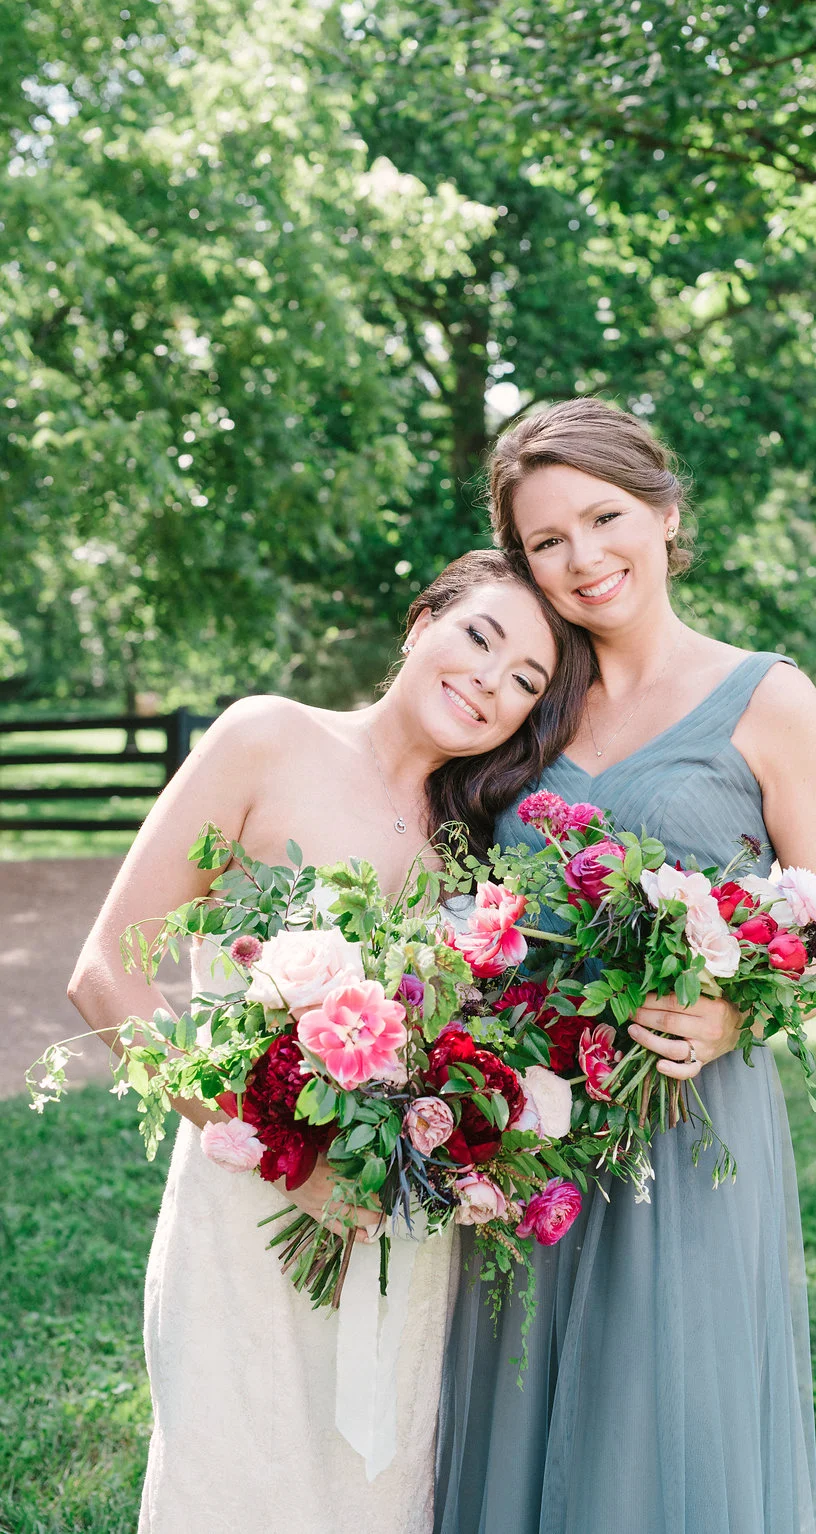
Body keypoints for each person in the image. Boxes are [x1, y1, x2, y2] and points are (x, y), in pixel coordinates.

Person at [67, 549, 594, 1534]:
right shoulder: (267, 737)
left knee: (377, 1496)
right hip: (248, 1210)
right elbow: (103, 972)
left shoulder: (472, 838)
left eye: (525, 682)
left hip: (396, 1234)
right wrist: (285, 1157)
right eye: (480, 636)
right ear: (420, 620)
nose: (490, 680)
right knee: (232, 1485)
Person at [435, 399, 816, 1534]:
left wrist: (736, 1013)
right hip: (523, 1127)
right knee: (519, 1403)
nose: (582, 558)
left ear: (667, 514)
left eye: (604, 516)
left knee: (662, 1424)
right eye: (545, 541)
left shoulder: (769, 698)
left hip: (687, 1122)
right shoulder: (519, 701)